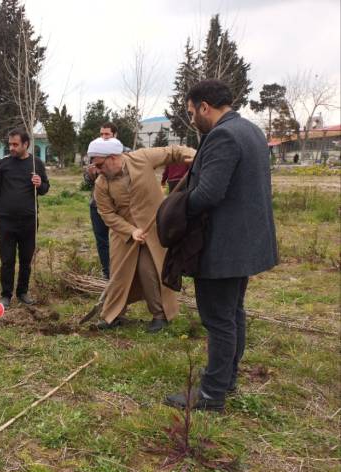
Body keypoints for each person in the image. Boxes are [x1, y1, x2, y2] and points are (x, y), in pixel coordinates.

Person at [165, 79, 277, 411]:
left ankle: (212, 394)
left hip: (224, 245)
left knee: (218, 319)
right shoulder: (251, 130)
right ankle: (225, 379)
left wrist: (176, 209)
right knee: (231, 313)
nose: (191, 119)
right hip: (245, 242)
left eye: (191, 112)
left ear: (204, 107)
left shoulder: (223, 136)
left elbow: (208, 194)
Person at [91, 138, 195, 333]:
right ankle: (112, 315)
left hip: (153, 230)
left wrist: (196, 156)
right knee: (119, 275)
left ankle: (160, 315)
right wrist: (131, 231)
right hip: (124, 234)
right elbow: (106, 214)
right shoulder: (101, 184)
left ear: (113, 158)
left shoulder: (142, 158)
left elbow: (172, 152)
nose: (98, 170)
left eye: (100, 164)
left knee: (149, 270)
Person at [0, 128, 50, 307]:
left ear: (26, 144)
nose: (12, 148)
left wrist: (40, 184)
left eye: (15, 145)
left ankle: (22, 292)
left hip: (29, 220)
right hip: (6, 221)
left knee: (25, 260)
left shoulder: (36, 163)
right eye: (10, 144)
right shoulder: (3, 164)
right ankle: (6, 294)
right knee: (7, 260)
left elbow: (45, 188)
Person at [83, 122, 118, 279]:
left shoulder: (122, 154)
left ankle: (121, 270)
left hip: (118, 207)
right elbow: (87, 182)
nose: (104, 137)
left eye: (107, 134)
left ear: (114, 135)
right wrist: (91, 175)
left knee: (120, 240)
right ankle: (107, 271)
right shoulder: (94, 153)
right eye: (102, 134)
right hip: (96, 205)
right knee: (102, 240)